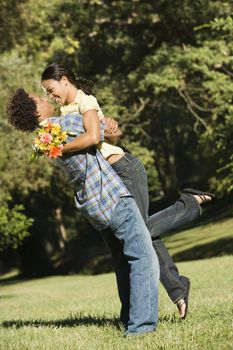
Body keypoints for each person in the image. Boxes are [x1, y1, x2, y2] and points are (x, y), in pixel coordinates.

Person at [40, 64, 214, 320]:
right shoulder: (65, 111)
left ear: (64, 80)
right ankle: (164, 297)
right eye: (46, 93)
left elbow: (93, 138)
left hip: (123, 170)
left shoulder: (84, 100)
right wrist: (113, 128)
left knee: (139, 235)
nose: (50, 97)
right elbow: (109, 135)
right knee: (136, 240)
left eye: (51, 90)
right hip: (109, 179)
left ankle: (187, 205)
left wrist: (58, 149)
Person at [7, 89, 160, 336]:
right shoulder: (63, 124)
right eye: (39, 99)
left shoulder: (44, 141)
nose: (45, 100)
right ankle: (140, 327)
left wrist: (104, 126)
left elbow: (100, 130)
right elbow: (99, 129)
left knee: (123, 260)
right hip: (112, 197)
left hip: (93, 205)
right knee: (143, 257)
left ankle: (128, 317)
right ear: (35, 111)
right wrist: (91, 106)